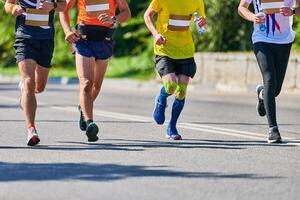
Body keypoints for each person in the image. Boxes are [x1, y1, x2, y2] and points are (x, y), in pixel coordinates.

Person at [59, 0, 131, 142]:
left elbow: (126, 13)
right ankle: (89, 123)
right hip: (83, 40)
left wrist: (114, 19)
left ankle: (83, 109)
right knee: (86, 83)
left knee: (96, 86)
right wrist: (67, 31)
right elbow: (63, 9)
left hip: (105, 40)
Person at [4, 0, 66, 146]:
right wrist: (13, 8)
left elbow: (64, 5)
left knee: (39, 87)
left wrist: (54, 6)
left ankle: (25, 93)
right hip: (24, 38)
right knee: (29, 82)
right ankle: (31, 129)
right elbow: (8, 4)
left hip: (46, 40)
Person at [144, 0, 207, 140]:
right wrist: (155, 34)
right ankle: (161, 99)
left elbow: (201, 26)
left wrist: (202, 25)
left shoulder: (197, 1)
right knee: (171, 86)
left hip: (185, 50)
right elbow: (147, 15)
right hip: (165, 49)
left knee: (181, 92)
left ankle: (172, 127)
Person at [238, 0, 299, 143]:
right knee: (270, 80)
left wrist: (293, 12)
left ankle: (261, 93)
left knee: (275, 90)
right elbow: (242, 7)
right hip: (262, 39)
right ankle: (273, 129)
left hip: (284, 41)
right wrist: (253, 17)